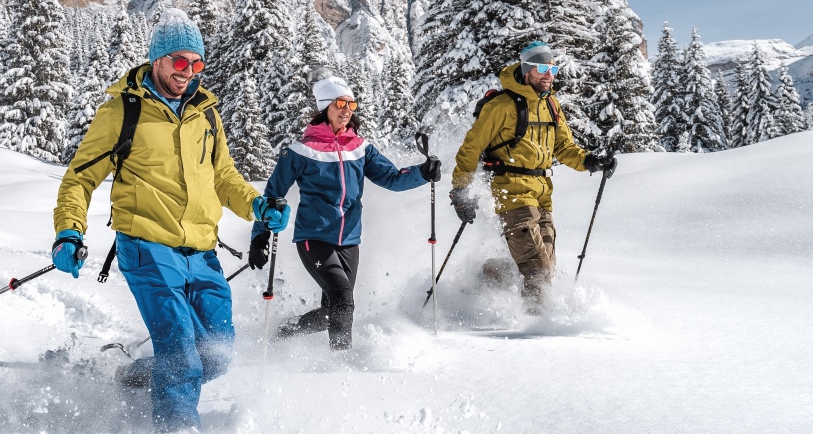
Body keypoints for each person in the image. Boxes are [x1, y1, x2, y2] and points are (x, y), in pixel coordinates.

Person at [51, 8, 291, 433]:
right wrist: (69, 230)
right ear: (158, 59)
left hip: (202, 252)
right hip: (147, 248)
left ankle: (134, 377)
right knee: (181, 351)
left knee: (216, 354)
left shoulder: (206, 114)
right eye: (180, 62)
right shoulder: (122, 113)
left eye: (197, 63)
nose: (189, 72)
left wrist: (257, 205)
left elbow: (223, 177)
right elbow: (80, 177)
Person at [251, 75, 442, 350]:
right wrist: (260, 237)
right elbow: (272, 195)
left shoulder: (360, 148)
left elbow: (392, 178)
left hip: (350, 240)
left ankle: (286, 331)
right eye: (340, 103)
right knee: (343, 298)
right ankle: (340, 364)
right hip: (313, 237)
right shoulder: (300, 151)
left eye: (351, 103)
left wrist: (423, 173)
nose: (347, 109)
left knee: (332, 311)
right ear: (324, 107)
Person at [450, 40, 616, 310]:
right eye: (542, 67)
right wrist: (460, 190)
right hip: (511, 191)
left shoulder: (551, 105)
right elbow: (472, 148)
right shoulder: (501, 106)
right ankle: (536, 326)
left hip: (542, 192)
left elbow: (564, 147)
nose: (549, 74)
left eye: (553, 68)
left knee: (547, 264)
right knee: (536, 267)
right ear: (527, 70)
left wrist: (589, 161)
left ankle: (489, 278)